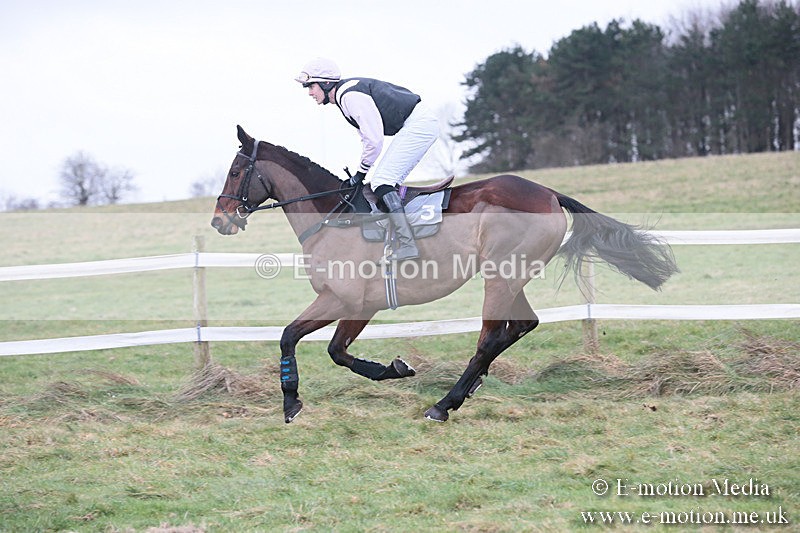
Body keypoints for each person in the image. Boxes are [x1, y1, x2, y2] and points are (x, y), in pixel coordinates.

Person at [295, 57, 439, 261]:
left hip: (418, 125)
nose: (310, 92)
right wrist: (360, 172)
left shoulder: (350, 96)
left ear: (326, 84)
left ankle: (408, 245)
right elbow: (367, 138)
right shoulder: (345, 97)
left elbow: (374, 140)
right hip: (415, 124)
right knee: (384, 181)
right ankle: (400, 235)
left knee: (382, 181)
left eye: (311, 86)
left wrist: (360, 173)